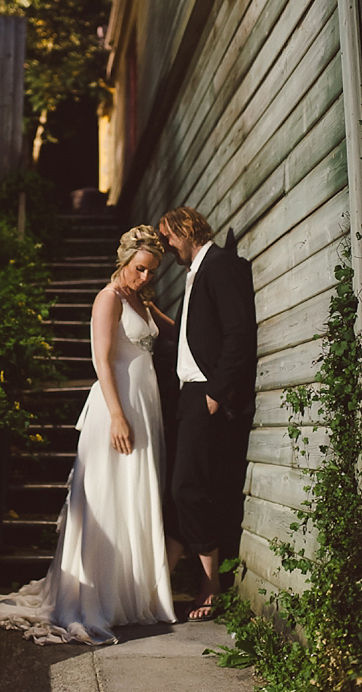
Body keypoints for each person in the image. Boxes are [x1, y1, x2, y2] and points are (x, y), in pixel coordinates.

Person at [0, 225, 176, 644]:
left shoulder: (139, 298)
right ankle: (94, 599)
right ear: (124, 261)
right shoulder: (107, 299)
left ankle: (129, 595)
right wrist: (118, 415)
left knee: (134, 499)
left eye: (152, 272)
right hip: (116, 410)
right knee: (108, 502)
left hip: (146, 408)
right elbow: (102, 362)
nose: (145, 277)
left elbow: (175, 328)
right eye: (140, 269)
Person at [156, 206, 257, 623]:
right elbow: (188, 336)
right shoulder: (194, 272)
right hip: (187, 397)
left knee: (188, 489)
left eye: (167, 237)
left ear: (185, 229)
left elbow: (239, 332)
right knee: (177, 493)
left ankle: (211, 587)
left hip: (206, 395)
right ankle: (161, 584)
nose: (166, 246)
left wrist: (217, 393)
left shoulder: (221, 265)